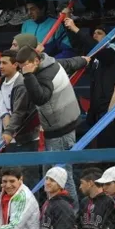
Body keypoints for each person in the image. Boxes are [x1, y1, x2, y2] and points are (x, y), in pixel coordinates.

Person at [17, 46, 88, 203]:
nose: (23, 70)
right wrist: (83, 60)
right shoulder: (52, 63)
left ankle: (71, 212)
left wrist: (28, 76)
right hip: (60, 128)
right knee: (51, 175)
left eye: (26, 66)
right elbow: (69, 63)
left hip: (60, 130)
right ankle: (54, 209)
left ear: (36, 61)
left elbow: (40, 98)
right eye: (21, 67)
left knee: (61, 177)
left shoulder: (42, 76)